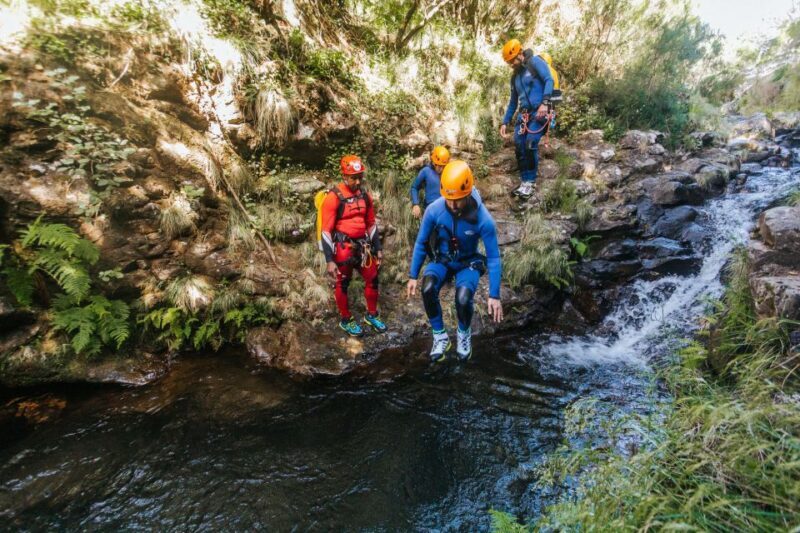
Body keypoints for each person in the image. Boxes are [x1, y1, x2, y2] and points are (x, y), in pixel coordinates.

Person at [406, 160, 503, 362]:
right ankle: (440, 337)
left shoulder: (483, 218)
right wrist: (413, 275)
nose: (452, 205)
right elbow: (421, 242)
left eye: (457, 200)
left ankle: (463, 334)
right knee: (428, 288)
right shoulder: (434, 210)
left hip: (468, 263)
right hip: (442, 260)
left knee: (463, 298)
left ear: (467, 193)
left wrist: (494, 294)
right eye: (448, 199)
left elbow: (493, 257)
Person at [320, 155, 387, 337]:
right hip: (343, 247)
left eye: (360, 177)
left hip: (363, 246)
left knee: (372, 278)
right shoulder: (334, 198)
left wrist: (378, 248)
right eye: (353, 178)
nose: (357, 181)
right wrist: (329, 260)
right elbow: (325, 230)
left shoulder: (365, 196)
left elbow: (371, 224)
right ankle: (346, 319)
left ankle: (371, 315)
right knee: (342, 283)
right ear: (344, 176)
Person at [499, 38, 554, 199]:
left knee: (530, 143)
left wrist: (545, 103)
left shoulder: (535, 62)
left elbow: (548, 80)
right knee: (518, 144)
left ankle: (530, 182)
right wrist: (505, 121)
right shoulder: (514, 77)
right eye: (509, 62)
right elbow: (513, 102)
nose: (511, 64)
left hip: (540, 111)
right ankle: (524, 181)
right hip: (524, 114)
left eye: (512, 61)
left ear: (520, 54)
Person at [410, 145, 451, 219]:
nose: (441, 169)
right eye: (439, 166)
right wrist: (416, 204)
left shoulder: (448, 173)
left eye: (443, 166)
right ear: (433, 162)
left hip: (445, 211)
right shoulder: (426, 171)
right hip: (431, 211)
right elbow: (414, 188)